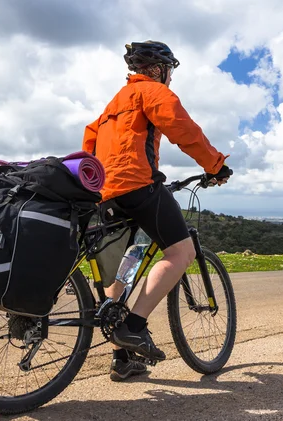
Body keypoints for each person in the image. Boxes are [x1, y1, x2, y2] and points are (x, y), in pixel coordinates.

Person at [82, 41, 232, 381]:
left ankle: (122, 358)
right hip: (138, 185)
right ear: (159, 69)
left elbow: (88, 144)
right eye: (170, 70)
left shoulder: (111, 105)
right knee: (182, 251)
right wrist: (216, 165)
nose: (170, 77)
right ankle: (134, 326)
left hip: (105, 193)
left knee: (125, 268)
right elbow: (185, 132)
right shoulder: (152, 92)